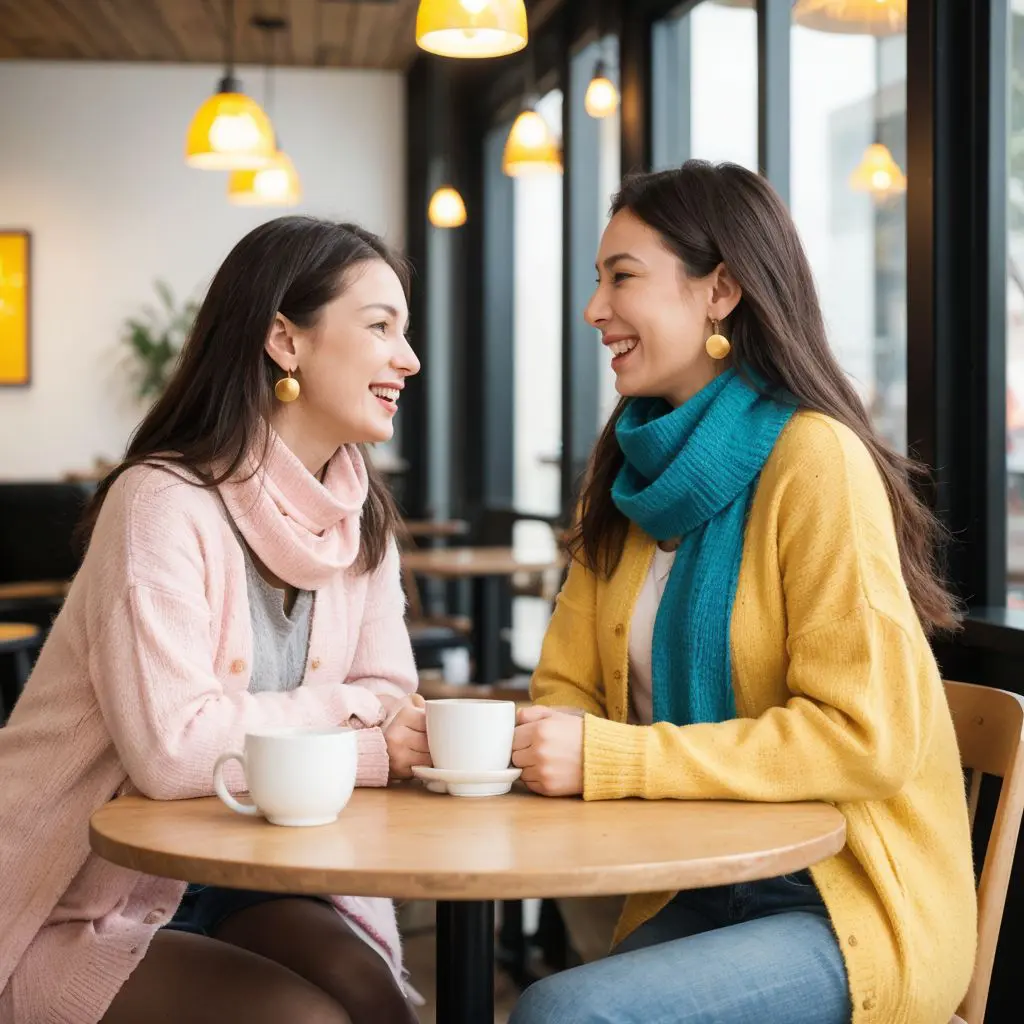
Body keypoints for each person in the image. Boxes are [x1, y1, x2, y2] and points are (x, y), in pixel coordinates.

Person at [509, 162, 977, 1024]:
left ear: (719, 289)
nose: (595, 310)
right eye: (596, 280)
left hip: (842, 903)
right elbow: (566, 692)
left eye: (622, 277)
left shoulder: (814, 461)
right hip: (694, 880)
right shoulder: (628, 476)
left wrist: (613, 760)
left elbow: (861, 738)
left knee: (564, 1016)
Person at [0, 217, 431, 1024]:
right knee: (309, 1022)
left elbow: (393, 693)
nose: (409, 359)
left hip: (249, 875)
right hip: (76, 898)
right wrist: (354, 721)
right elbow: (174, 750)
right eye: (381, 327)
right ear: (284, 340)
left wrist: (370, 715)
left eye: (405, 333)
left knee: (380, 1003)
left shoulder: (356, 513)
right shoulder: (162, 501)